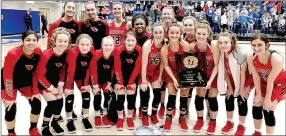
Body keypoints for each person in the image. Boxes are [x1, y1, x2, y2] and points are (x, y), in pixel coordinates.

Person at [1, 30, 42, 136]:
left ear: (37, 42)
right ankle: (11, 133)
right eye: (28, 40)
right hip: (9, 82)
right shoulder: (13, 54)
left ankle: (33, 129)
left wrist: (36, 91)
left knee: (36, 104)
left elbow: (36, 73)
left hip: (25, 81)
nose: (31, 42)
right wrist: (10, 97)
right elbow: (7, 76)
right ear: (22, 41)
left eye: (34, 40)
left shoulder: (38, 52)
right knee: (10, 109)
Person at [216, 32, 254, 135]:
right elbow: (225, 71)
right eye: (220, 42)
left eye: (226, 42)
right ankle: (229, 122)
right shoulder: (221, 53)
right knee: (229, 97)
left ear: (232, 43)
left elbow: (243, 74)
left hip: (246, 80)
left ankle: (241, 125)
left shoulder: (241, 54)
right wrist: (229, 87)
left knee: (242, 100)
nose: (222, 45)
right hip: (233, 78)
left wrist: (242, 89)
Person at [247, 33, 285, 135]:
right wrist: (258, 94)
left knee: (267, 109)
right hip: (264, 83)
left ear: (267, 45)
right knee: (256, 105)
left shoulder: (276, 59)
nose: (256, 48)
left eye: (260, 45)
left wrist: (267, 99)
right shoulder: (251, 56)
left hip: (279, 84)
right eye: (253, 45)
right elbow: (255, 76)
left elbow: (271, 80)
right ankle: (257, 132)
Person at [36, 27, 70, 135]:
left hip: (56, 83)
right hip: (44, 83)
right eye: (60, 41)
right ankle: (44, 126)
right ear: (54, 41)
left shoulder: (66, 53)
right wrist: (51, 88)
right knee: (52, 103)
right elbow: (40, 75)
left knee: (60, 101)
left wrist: (60, 85)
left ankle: (55, 123)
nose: (63, 44)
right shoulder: (46, 55)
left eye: (65, 41)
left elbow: (63, 71)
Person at [161, 23, 191, 132]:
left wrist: (186, 78)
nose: (174, 35)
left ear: (180, 34)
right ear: (167, 34)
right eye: (172, 33)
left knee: (184, 96)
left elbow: (190, 62)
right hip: (171, 73)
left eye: (177, 33)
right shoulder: (164, 49)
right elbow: (166, 65)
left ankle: (182, 118)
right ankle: (168, 118)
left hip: (184, 72)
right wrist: (174, 79)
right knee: (172, 96)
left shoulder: (186, 45)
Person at [191, 22, 220, 134]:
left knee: (212, 98)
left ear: (208, 34)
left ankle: (213, 121)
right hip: (200, 75)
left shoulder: (213, 45)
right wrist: (196, 80)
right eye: (199, 33)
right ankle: (199, 120)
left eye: (204, 34)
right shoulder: (192, 47)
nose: (201, 36)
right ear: (195, 33)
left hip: (213, 74)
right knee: (199, 97)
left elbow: (217, 65)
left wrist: (211, 81)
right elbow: (191, 66)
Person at [90, 36, 123, 128]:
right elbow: (93, 71)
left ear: (113, 46)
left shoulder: (115, 52)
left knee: (107, 95)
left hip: (107, 80)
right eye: (106, 45)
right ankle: (97, 115)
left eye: (110, 45)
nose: (108, 47)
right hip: (96, 79)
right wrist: (95, 85)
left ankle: (105, 114)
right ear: (102, 45)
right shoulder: (96, 54)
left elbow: (117, 69)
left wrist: (112, 83)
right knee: (97, 95)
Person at [64, 34, 94, 133]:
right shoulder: (73, 52)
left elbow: (89, 69)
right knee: (69, 97)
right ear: (77, 44)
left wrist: (86, 84)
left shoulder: (91, 51)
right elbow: (70, 71)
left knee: (86, 95)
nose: (85, 47)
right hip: (70, 76)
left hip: (82, 76)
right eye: (82, 44)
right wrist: (68, 87)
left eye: (87, 44)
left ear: (91, 45)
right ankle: (69, 119)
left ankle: (85, 117)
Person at [115, 31, 142, 130]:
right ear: (124, 41)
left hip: (132, 77)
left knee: (131, 95)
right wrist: (120, 82)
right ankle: (120, 118)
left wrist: (131, 82)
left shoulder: (139, 50)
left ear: (136, 41)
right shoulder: (119, 50)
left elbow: (137, 68)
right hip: (120, 77)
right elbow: (117, 68)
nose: (130, 43)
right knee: (120, 94)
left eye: (132, 40)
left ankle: (130, 117)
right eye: (128, 40)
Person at [140, 23, 165, 126]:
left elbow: (163, 62)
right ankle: (145, 114)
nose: (158, 35)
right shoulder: (147, 45)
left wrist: (160, 76)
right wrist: (143, 81)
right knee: (145, 92)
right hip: (145, 72)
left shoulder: (165, 44)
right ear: (152, 33)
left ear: (164, 33)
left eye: (160, 32)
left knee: (158, 93)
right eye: (156, 32)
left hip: (155, 72)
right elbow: (144, 65)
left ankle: (154, 114)